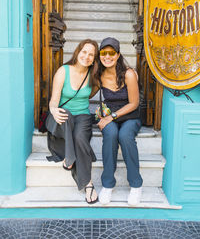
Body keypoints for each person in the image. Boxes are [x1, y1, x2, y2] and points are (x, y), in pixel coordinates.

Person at [47, 39, 99, 204]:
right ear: (78, 51)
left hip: (83, 116)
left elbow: (89, 96)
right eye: (84, 52)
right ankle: (86, 181)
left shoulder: (94, 76)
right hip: (61, 116)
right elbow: (54, 101)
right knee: (67, 116)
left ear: (94, 58)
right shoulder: (64, 71)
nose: (87, 56)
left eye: (91, 54)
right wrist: (54, 110)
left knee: (80, 138)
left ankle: (75, 166)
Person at [96, 37, 143, 206]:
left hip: (130, 116)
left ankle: (136, 184)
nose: (107, 56)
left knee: (124, 136)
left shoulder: (129, 74)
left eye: (111, 53)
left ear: (118, 55)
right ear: (99, 55)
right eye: (103, 53)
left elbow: (134, 103)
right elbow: (86, 91)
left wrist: (112, 117)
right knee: (110, 134)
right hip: (110, 116)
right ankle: (108, 184)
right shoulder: (99, 74)